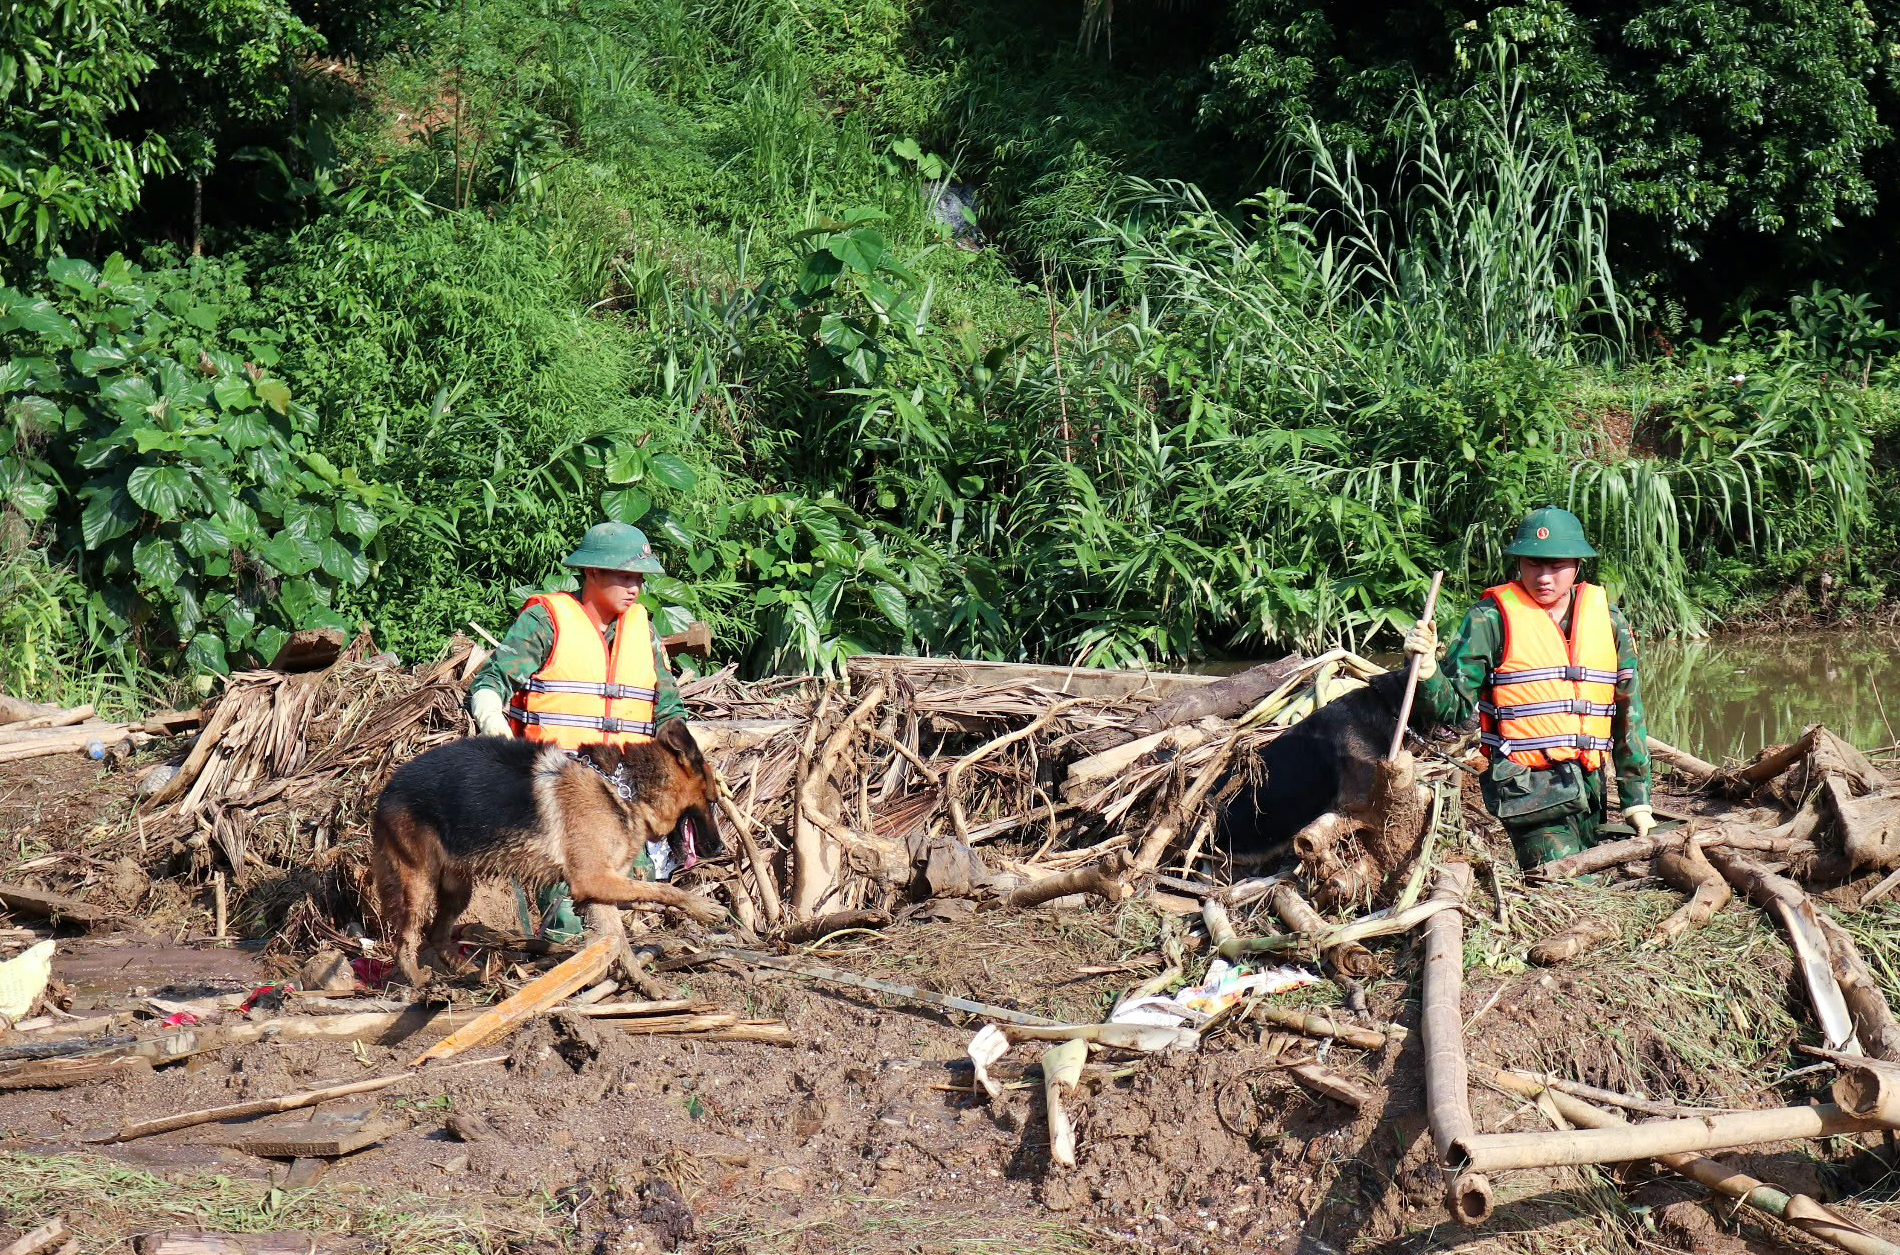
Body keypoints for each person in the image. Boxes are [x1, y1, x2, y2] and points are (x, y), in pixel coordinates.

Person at [467, 521, 691, 939]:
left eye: (639, 578)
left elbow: (668, 708)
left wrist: (685, 757)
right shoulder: (545, 621)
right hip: (562, 791)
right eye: (624, 576)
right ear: (591, 573)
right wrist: (493, 723)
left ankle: (617, 979)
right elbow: (490, 683)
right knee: (570, 915)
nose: (634, 588)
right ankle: (561, 982)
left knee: (632, 906)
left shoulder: (642, 628)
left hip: (626, 795)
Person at [1403, 506, 1654, 869]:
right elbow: (1452, 710)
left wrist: (1637, 801)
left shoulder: (1609, 621)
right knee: (1565, 883)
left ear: (1577, 566)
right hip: (1527, 786)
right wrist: (1427, 670)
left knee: (1596, 873)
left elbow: (1629, 713)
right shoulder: (1487, 619)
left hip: (1591, 784)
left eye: (1557, 566)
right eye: (1534, 564)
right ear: (1519, 562)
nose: (1545, 577)